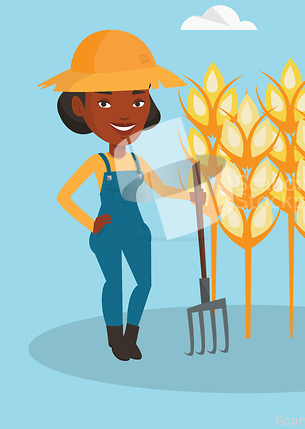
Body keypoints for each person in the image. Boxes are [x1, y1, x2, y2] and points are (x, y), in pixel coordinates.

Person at [39, 30, 204, 361]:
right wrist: (91, 221)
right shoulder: (97, 163)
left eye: (138, 101)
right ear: (79, 107)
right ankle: (116, 340)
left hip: (138, 232)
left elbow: (158, 188)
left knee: (144, 284)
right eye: (104, 102)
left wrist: (191, 198)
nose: (125, 114)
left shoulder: (140, 161)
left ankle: (131, 337)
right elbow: (64, 196)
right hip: (107, 232)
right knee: (114, 284)